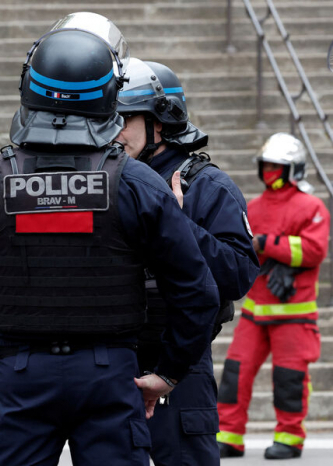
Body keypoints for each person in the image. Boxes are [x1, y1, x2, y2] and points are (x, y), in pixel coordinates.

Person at [0, 13, 220, 466]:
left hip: (23, 372)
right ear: (110, 94)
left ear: (29, 89)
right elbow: (197, 290)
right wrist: (168, 373)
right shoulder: (139, 185)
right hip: (111, 375)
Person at [114, 58, 260, 466]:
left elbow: (236, 274)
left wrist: (175, 223)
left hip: (178, 369)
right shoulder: (102, 183)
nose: (112, 130)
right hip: (111, 364)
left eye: (123, 118)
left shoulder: (205, 185)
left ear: (162, 121)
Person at [216, 133, 329, 460]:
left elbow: (313, 250)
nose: (270, 171)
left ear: (293, 168)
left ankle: (290, 438)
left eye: (276, 166)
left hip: (295, 313)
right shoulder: (254, 206)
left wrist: (266, 244)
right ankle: (230, 436)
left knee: (290, 379)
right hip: (255, 310)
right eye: (266, 165)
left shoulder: (313, 207)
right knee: (235, 375)